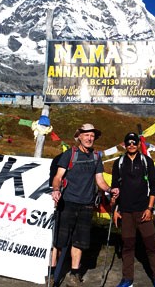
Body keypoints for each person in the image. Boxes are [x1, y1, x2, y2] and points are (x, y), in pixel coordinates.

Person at [51, 123, 119, 287]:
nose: (89, 138)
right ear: (79, 136)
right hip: (67, 203)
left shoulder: (96, 157)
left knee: (79, 242)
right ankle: (53, 273)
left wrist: (110, 189)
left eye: (92, 136)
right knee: (59, 241)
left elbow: (100, 180)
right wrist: (55, 189)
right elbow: (58, 176)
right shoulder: (69, 154)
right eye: (86, 135)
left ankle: (74, 274)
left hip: (87, 205)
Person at [111, 132, 155, 287]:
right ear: (124, 145)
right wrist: (115, 209)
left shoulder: (146, 161)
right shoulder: (119, 163)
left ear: (138, 144)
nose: (132, 145)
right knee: (127, 247)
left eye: (134, 142)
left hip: (143, 211)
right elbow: (115, 187)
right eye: (128, 143)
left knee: (151, 246)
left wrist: (150, 208)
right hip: (126, 212)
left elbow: (153, 187)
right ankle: (127, 279)